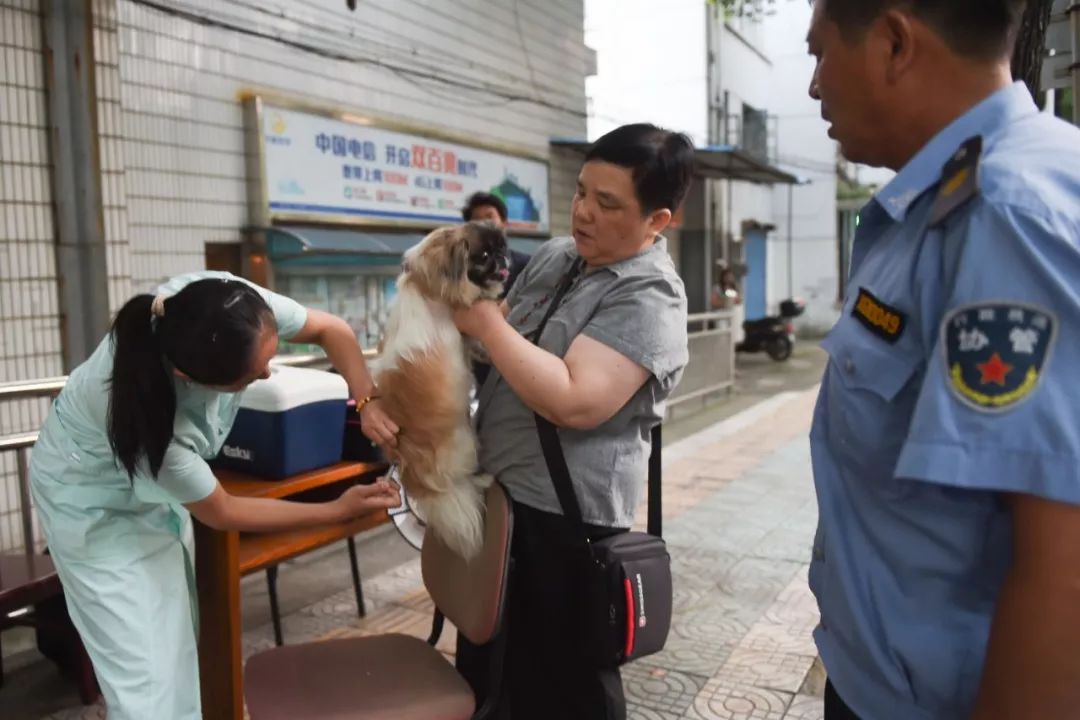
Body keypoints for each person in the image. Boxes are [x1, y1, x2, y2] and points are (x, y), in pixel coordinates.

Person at [805, 1, 1080, 718]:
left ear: (893, 43)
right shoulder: (942, 203)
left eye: (819, 53)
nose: (813, 86)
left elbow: (1066, 567)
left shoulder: (1006, 212)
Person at [29, 271, 401, 719]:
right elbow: (223, 511)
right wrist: (333, 510)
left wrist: (367, 400)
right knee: (145, 677)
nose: (268, 372)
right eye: (250, 376)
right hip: (91, 508)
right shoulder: (156, 432)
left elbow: (330, 329)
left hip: (150, 489)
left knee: (176, 644)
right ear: (190, 376)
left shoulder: (225, 306)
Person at [448, 124, 692, 719]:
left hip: (565, 526)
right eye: (581, 192)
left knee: (559, 690)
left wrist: (484, 325)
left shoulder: (650, 297)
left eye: (606, 204)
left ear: (656, 221)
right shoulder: (559, 257)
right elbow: (499, 345)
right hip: (498, 501)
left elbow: (575, 400)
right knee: (487, 676)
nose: (582, 212)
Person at [461, 191, 533, 389]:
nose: (485, 225)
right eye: (477, 221)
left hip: (522, 363)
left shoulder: (529, 266)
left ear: (504, 222)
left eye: (489, 217)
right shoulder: (462, 272)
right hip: (479, 369)